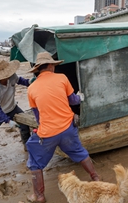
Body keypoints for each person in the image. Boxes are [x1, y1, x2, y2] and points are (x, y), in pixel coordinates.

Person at [26, 52, 99, 203]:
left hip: (48, 133)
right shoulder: (62, 78)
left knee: (35, 162)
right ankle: (95, 177)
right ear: (52, 66)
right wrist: (81, 97)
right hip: (67, 128)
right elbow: (73, 101)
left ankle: (39, 196)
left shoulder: (31, 88)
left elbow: (38, 116)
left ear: (39, 69)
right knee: (79, 152)